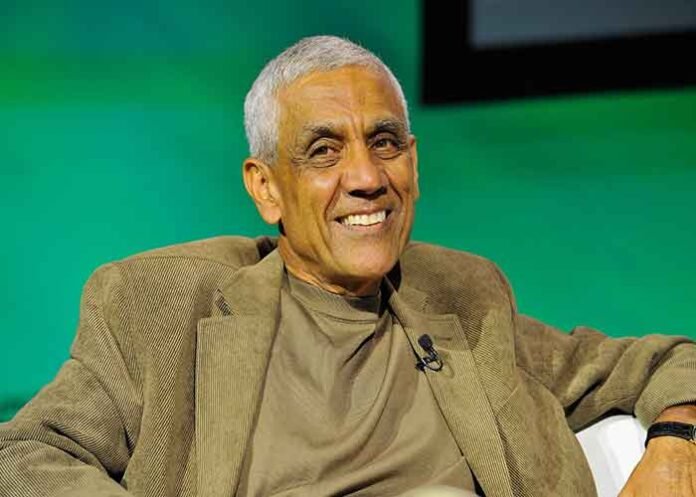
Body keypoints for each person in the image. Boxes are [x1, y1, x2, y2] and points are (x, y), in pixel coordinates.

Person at [0, 35, 695, 497]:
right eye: (324, 151)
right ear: (266, 188)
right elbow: (25, 454)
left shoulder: (465, 296)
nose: (366, 178)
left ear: (413, 164)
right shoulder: (162, 304)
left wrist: (675, 446)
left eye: (384, 142)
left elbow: (668, 361)